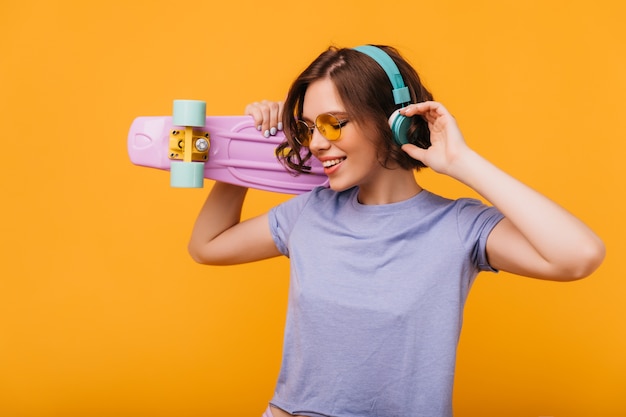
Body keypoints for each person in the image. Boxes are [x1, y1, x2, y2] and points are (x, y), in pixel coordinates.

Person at [188, 45, 605, 417]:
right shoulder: (310, 213)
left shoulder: (459, 226)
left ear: (393, 121)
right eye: (308, 127)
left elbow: (578, 256)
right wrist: (242, 151)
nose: (315, 143)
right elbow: (207, 246)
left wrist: (461, 161)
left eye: (333, 123)